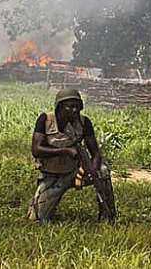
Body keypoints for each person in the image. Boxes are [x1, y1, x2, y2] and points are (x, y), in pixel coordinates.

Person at [27, 88, 116, 224]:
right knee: (38, 218)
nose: (74, 110)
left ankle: (107, 215)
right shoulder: (46, 119)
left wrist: (92, 169)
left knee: (103, 171)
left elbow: (96, 152)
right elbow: (36, 149)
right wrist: (65, 151)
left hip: (73, 172)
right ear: (60, 107)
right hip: (51, 175)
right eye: (70, 107)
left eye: (77, 107)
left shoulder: (84, 122)